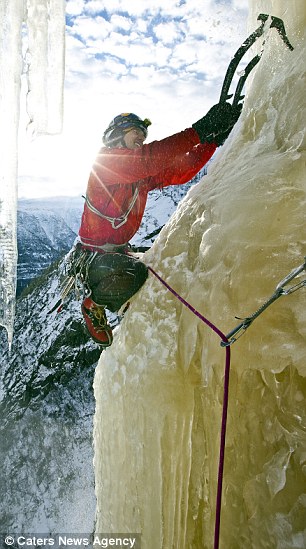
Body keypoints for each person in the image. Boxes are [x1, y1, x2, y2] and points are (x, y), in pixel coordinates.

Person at [77, 103, 241, 346]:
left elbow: (177, 171)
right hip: (96, 258)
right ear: (117, 135)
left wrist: (210, 142)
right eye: (136, 132)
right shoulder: (107, 163)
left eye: (144, 136)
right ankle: (94, 303)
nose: (141, 138)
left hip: (112, 252)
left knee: (155, 264)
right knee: (137, 273)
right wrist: (199, 131)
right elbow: (149, 160)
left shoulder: (136, 176)